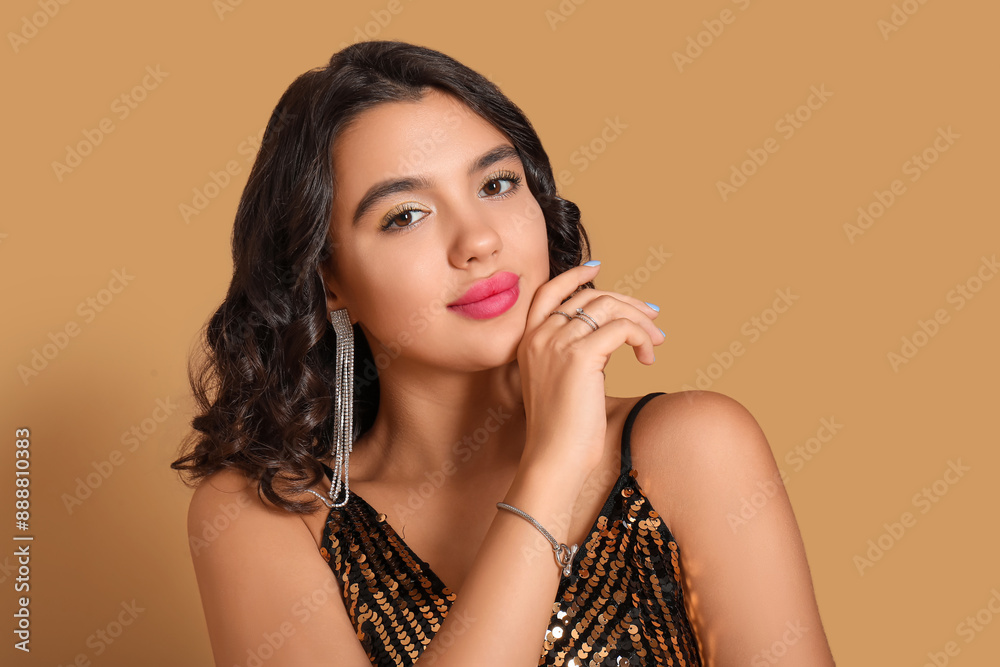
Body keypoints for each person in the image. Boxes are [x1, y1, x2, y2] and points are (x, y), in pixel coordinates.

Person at [173, 40, 836, 666]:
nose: (479, 241)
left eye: (495, 184)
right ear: (330, 280)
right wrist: (552, 468)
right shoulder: (269, 514)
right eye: (405, 215)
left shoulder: (691, 449)